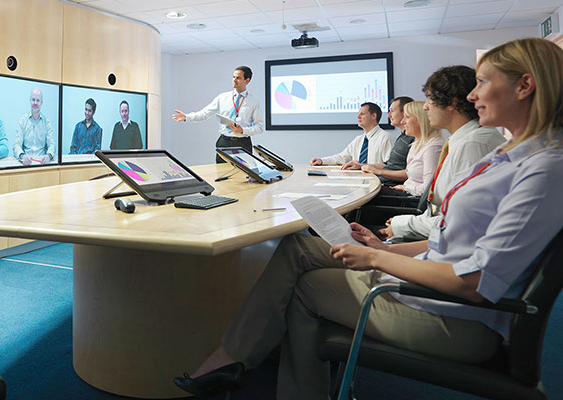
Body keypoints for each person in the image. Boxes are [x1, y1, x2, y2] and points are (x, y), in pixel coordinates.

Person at [174, 37, 563, 400]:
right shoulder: (510, 154)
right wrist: (382, 246)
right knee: (297, 246)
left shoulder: (542, 168)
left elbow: (475, 281)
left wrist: (377, 258)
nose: (472, 94)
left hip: (451, 316)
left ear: (524, 85)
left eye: (481, 82)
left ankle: (244, 365)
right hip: (427, 278)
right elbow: (454, 238)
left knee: (306, 288)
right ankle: (237, 360)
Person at [381, 66, 505, 239]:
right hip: (432, 229)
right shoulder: (461, 141)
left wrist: (402, 225)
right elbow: (441, 209)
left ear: (452, 103)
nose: (425, 107)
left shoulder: (472, 145)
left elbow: (459, 224)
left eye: (429, 100)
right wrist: (402, 222)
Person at [172, 66, 263, 163]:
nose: (234, 80)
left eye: (238, 78)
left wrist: (242, 130)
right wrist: (187, 117)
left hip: (243, 144)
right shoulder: (222, 98)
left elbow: (259, 127)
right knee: (221, 173)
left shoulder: (253, 102)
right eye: (233, 77)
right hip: (224, 142)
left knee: (244, 175)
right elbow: (205, 113)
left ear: (247, 80)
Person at [366, 101, 444, 197]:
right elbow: (409, 174)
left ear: (420, 120)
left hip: (411, 199)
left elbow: (428, 190)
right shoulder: (416, 144)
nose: (403, 122)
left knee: (366, 196)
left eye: (407, 117)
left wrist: (405, 187)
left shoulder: (433, 147)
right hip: (405, 192)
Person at [344, 96, 415, 185]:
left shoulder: (412, 139)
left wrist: (378, 172)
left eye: (392, 111)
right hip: (384, 182)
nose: (389, 115)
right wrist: (361, 166)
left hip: (390, 185)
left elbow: (411, 173)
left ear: (406, 113)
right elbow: (388, 165)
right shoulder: (402, 138)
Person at [310, 102, 394, 169]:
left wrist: (363, 167)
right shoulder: (359, 140)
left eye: (362, 114)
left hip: (378, 183)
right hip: (358, 180)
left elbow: (390, 166)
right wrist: (322, 161)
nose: (358, 117)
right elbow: (342, 157)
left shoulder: (386, 138)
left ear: (373, 116)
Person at [14, 88, 56, 165]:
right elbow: (16, 145)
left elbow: (52, 144)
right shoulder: (22, 121)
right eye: (33, 100)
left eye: (38, 100)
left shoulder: (47, 123)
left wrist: (49, 156)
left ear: (41, 102)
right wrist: (22, 156)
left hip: (42, 162)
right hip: (27, 162)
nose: (35, 103)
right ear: (30, 101)